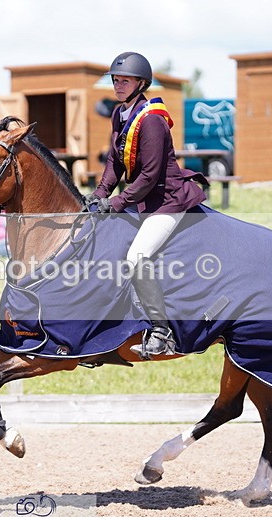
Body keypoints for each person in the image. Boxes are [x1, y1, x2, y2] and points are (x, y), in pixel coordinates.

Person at [85, 52, 207, 358]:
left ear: (142, 83)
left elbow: (151, 175)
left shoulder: (152, 120)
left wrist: (117, 202)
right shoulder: (120, 114)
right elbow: (114, 160)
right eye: (115, 79)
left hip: (165, 201)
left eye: (125, 80)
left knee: (137, 256)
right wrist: (99, 193)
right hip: (140, 199)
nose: (118, 84)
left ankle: (161, 331)